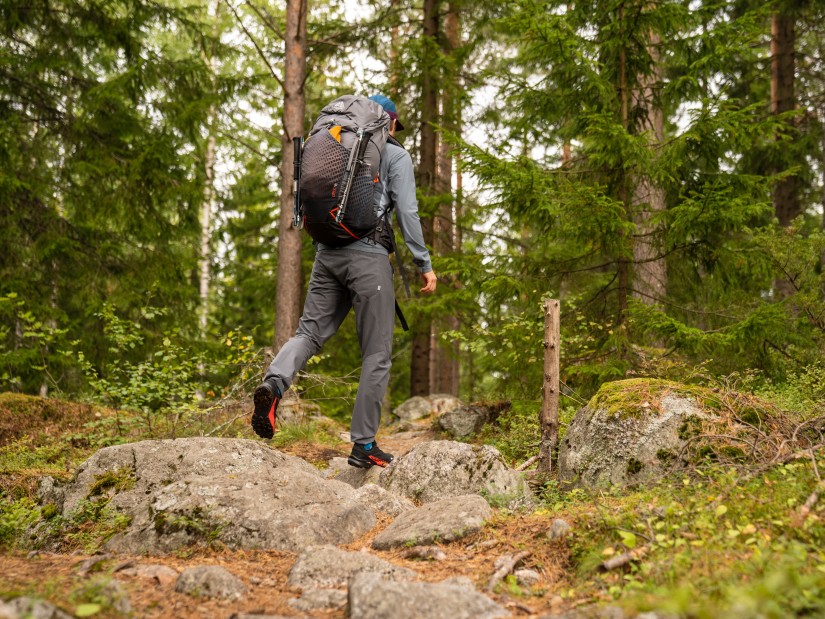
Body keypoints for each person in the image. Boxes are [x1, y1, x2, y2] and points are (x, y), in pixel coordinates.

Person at [251, 94, 437, 468]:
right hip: (368, 258)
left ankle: (274, 383)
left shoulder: (333, 140)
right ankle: (364, 444)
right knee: (377, 353)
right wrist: (424, 263)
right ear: (391, 122)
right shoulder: (394, 154)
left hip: (327, 252)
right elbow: (408, 211)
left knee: (309, 333)